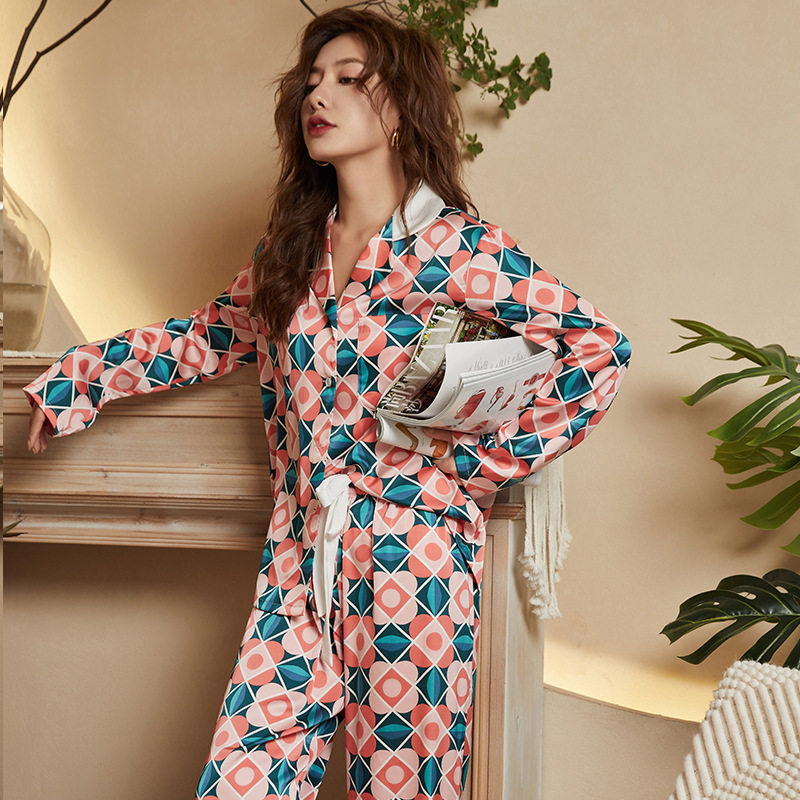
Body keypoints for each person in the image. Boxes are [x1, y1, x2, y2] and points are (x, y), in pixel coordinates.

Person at [24, 8, 631, 800]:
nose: (319, 95)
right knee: (243, 780)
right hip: (298, 556)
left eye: (349, 80)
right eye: (312, 81)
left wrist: (471, 468)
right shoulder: (291, 253)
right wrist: (78, 380)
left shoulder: (455, 246)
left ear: (400, 107)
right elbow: (208, 336)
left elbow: (599, 349)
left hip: (414, 564)